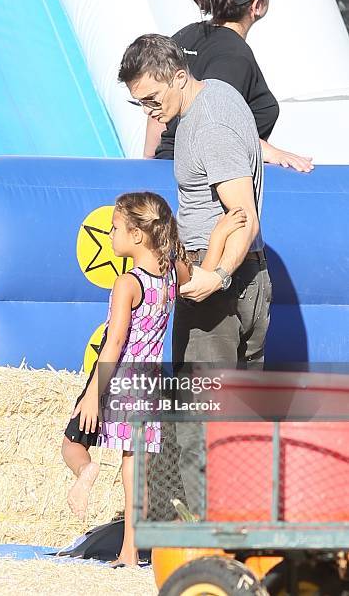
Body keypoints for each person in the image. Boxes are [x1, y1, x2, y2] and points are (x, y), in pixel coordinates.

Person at [118, 33, 272, 513]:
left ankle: (203, 549)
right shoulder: (220, 95)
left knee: (199, 426)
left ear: (179, 76)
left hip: (220, 290)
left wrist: (216, 276)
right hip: (246, 279)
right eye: (138, 102)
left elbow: (242, 214)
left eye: (152, 99)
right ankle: (240, 538)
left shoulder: (208, 125)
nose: (148, 111)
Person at [62, 191, 247, 565]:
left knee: (72, 443)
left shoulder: (128, 283)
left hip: (120, 381)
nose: (110, 235)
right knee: (137, 467)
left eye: (114, 229)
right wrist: (219, 235)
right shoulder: (168, 273)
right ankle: (130, 550)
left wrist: (93, 395)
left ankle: (85, 471)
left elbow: (113, 344)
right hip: (148, 385)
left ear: (136, 236)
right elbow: (201, 278)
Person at [143, 0, 314, 173]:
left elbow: (156, 104)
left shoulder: (186, 35)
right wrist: (272, 153)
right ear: (256, 6)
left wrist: (150, 165)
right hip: (207, 179)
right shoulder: (235, 56)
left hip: (169, 165)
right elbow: (212, 123)